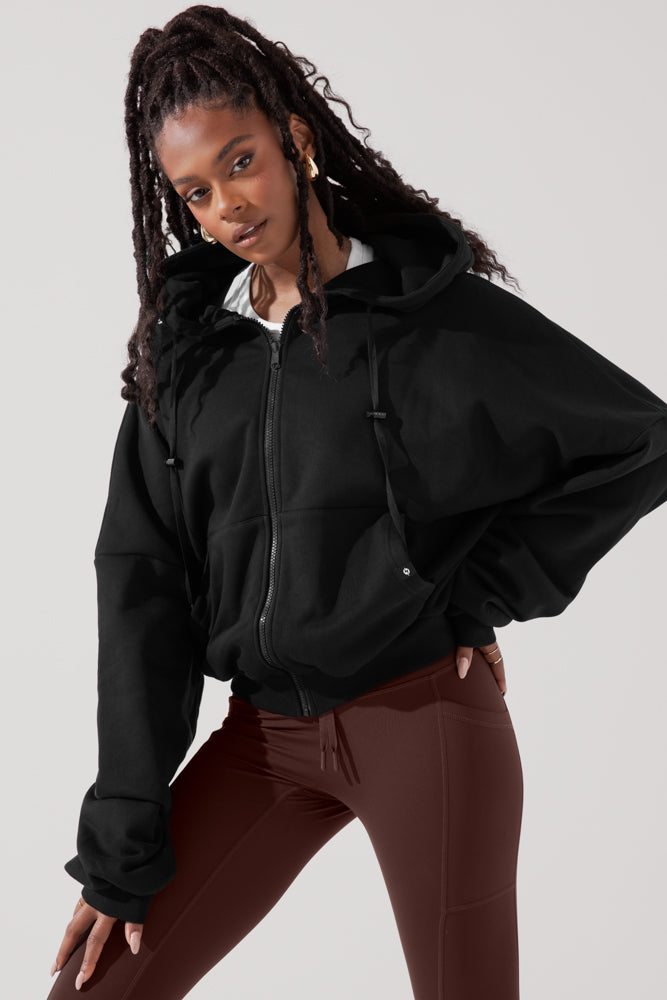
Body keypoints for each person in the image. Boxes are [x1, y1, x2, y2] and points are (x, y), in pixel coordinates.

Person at [47, 5, 667, 999]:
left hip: (420, 717)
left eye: (241, 163)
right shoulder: (188, 360)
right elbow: (140, 586)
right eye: (196, 192)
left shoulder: (429, 319)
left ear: (294, 139)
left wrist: (473, 591)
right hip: (261, 740)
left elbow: (638, 440)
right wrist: (122, 839)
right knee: (96, 989)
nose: (227, 206)